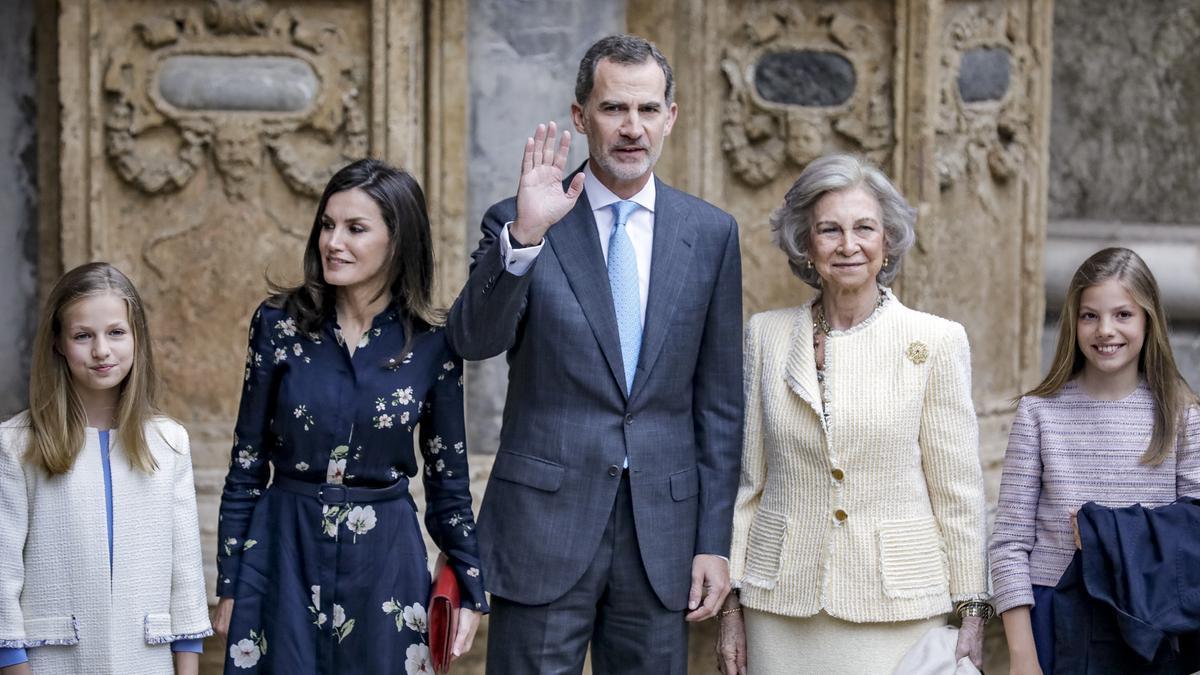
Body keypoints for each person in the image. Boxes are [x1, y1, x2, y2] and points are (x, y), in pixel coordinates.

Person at [448, 34, 743, 674]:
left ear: (671, 116)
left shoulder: (712, 234)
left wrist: (713, 542)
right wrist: (526, 236)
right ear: (581, 117)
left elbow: (720, 405)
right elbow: (473, 341)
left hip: (660, 539)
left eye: (646, 110)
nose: (631, 128)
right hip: (542, 526)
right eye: (613, 109)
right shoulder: (522, 220)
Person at [717, 154, 990, 674]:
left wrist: (973, 608)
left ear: (887, 240)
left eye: (864, 228)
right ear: (805, 242)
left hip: (897, 607)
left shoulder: (933, 341)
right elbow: (745, 483)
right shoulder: (765, 336)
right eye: (829, 230)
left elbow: (958, 490)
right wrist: (731, 607)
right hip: (781, 606)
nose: (848, 245)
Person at [211, 159, 486, 674]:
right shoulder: (278, 325)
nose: (333, 242)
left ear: (397, 240)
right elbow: (246, 462)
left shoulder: (434, 342)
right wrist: (231, 579)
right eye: (328, 225)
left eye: (356, 229)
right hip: (281, 551)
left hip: (385, 557)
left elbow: (449, 478)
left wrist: (470, 587)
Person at [989, 247, 1200, 675]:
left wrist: (1107, 533)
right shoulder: (1038, 412)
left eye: (1123, 315)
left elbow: (1195, 530)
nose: (1105, 330)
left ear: (1148, 320)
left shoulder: (1179, 413)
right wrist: (1022, 654)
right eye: (1090, 316)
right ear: (1073, 321)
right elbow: (1009, 542)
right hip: (1052, 616)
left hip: (1150, 616)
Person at [0, 262, 211, 675]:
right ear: (59, 343)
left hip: (146, 661)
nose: (101, 350)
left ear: (137, 338)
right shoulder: (16, 444)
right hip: (52, 664)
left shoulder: (169, 443)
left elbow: (185, 578)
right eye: (83, 336)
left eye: (116, 332)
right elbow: (3, 575)